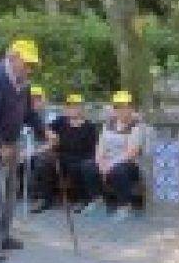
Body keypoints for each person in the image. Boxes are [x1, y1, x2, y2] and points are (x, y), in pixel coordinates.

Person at [0, 39, 43, 263]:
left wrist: (44, 131)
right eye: (26, 63)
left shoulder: (23, 82)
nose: (29, 69)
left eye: (32, 64)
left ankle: (3, 235)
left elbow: (28, 113)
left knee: (11, 190)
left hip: (11, 141)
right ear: (13, 58)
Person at [79, 90, 143, 223]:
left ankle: (125, 206)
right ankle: (97, 200)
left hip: (128, 163)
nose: (121, 110)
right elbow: (100, 145)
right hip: (107, 161)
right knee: (87, 166)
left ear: (131, 108)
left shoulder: (136, 126)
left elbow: (132, 152)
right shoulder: (108, 124)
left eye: (124, 106)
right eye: (117, 106)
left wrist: (110, 164)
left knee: (117, 171)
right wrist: (99, 161)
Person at [30, 93, 98, 213]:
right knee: (44, 162)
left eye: (76, 106)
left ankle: (81, 199)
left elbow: (93, 150)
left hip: (81, 157)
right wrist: (51, 138)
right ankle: (45, 198)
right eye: (69, 106)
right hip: (61, 155)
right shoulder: (61, 121)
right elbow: (46, 130)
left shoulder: (90, 127)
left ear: (82, 108)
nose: (72, 109)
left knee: (80, 166)